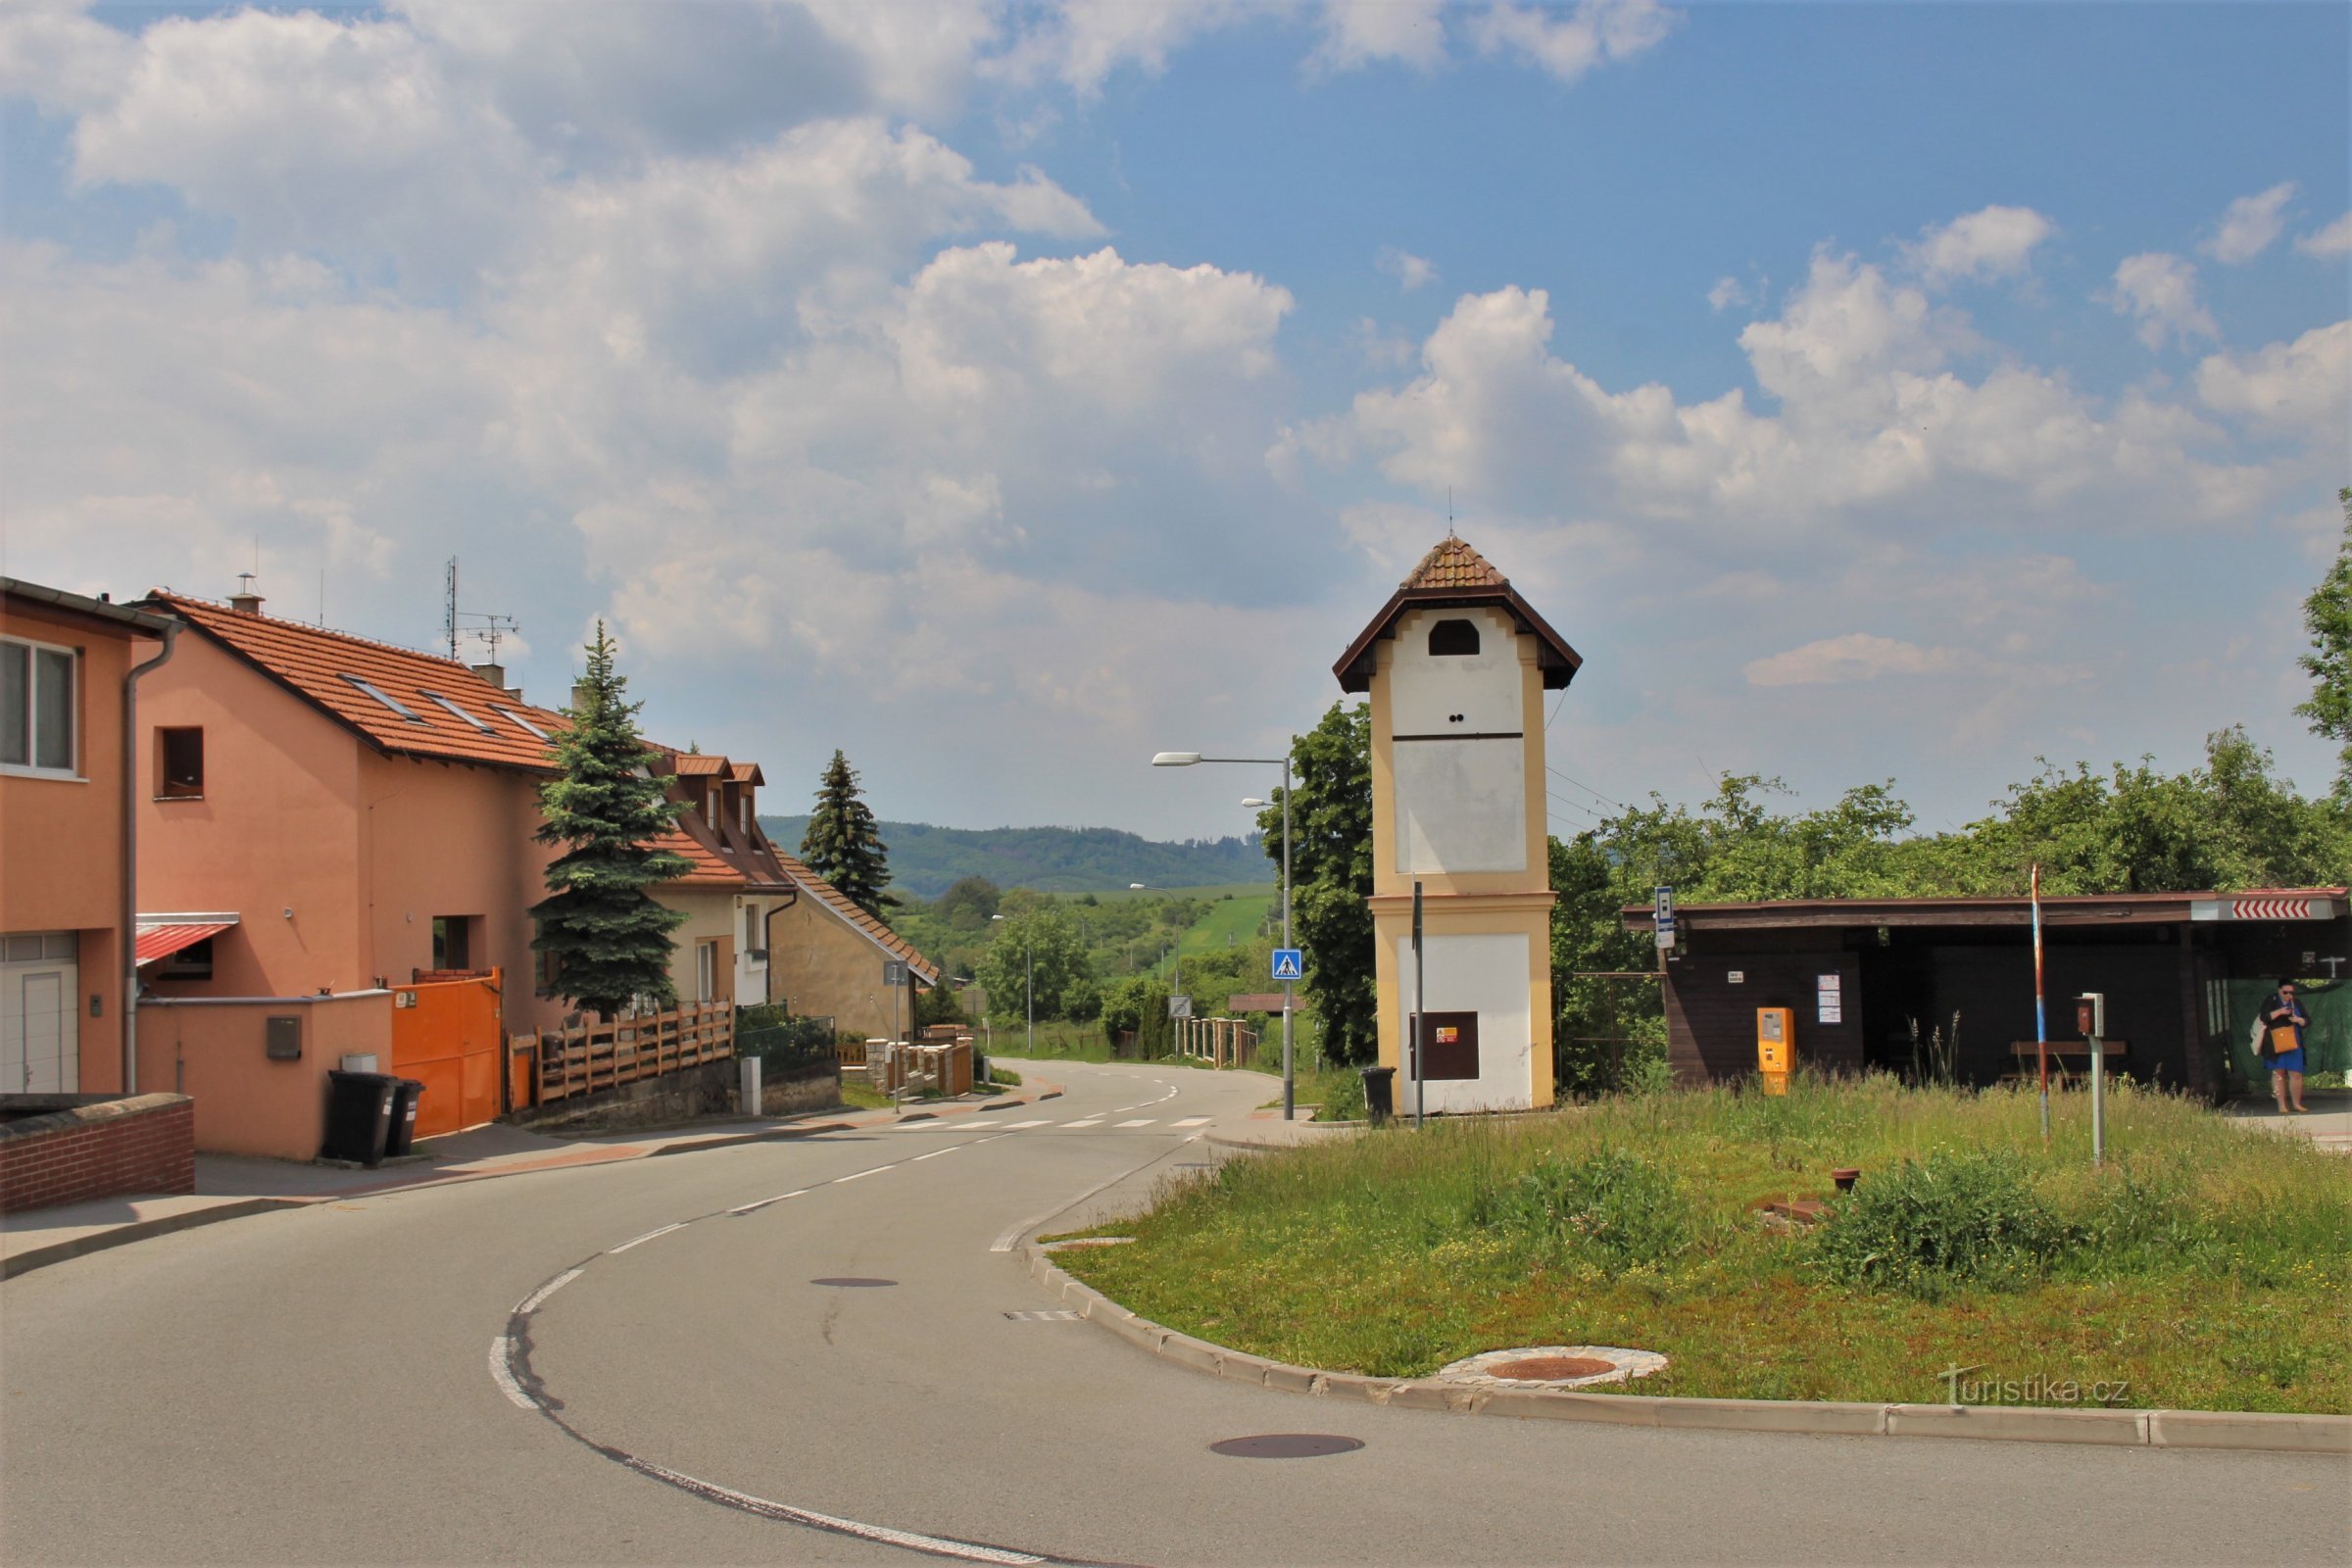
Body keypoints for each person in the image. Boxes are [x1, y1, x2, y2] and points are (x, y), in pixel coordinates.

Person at [2260, 980, 2311, 1114]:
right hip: (2275, 1042)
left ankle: (2297, 1104)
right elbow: (2264, 1017)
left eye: (2291, 992)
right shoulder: (2271, 1000)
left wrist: (2298, 1020)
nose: (2289, 995)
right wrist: (2280, 1012)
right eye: (2285, 992)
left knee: (2296, 1073)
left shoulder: (2297, 1002)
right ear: (2279, 990)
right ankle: (2282, 1105)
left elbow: (2307, 1020)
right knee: (2278, 1073)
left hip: (2293, 1042)